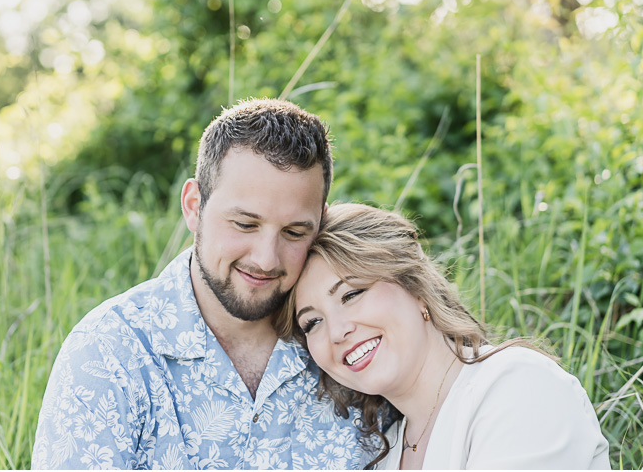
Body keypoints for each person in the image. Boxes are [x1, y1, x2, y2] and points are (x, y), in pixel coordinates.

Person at [32, 99, 372, 469]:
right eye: (245, 224)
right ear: (194, 206)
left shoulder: (353, 342)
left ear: (320, 224)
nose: (266, 259)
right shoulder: (108, 355)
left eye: (293, 232)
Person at [278, 203, 611, 470]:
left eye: (352, 294)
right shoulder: (386, 452)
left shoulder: (516, 388)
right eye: (313, 323)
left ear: (415, 286)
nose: (337, 332)